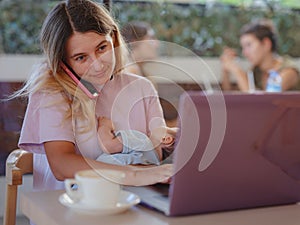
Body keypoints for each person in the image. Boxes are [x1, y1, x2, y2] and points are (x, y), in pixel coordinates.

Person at [11, 0, 173, 191]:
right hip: (63, 211)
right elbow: (62, 165)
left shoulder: (141, 87)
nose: (98, 65)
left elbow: (155, 153)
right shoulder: (51, 92)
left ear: (113, 39)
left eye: (102, 48)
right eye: (81, 57)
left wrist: (174, 142)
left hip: (131, 203)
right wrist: (134, 174)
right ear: (62, 61)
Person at [220, 19, 300, 92]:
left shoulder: (288, 72)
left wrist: (237, 71)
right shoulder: (256, 72)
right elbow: (230, 97)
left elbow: (264, 101)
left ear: (266, 44)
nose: (245, 53)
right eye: (243, 47)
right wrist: (226, 71)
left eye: (249, 45)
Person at [96, 117, 178, 165]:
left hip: (100, 170)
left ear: (166, 139)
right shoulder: (154, 165)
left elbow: (109, 146)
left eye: (168, 128)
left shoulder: (143, 141)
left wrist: (105, 125)